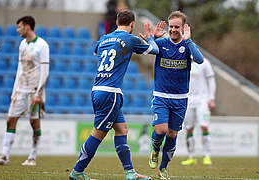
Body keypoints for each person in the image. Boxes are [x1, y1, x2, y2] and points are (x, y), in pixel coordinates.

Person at [69, 10, 159, 180]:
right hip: (110, 93)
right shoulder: (130, 39)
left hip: (98, 89)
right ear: (132, 24)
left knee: (121, 129)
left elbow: (97, 52)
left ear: (117, 22)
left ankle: (130, 173)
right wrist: (151, 39)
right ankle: (77, 171)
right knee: (98, 133)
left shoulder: (103, 39)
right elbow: (154, 50)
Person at [140, 11, 204, 179]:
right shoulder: (161, 43)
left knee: (172, 134)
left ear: (183, 28)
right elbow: (150, 49)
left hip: (180, 99)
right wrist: (151, 39)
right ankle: (154, 149)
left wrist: (188, 40)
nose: (173, 29)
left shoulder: (187, 45)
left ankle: (163, 168)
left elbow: (200, 60)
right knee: (161, 130)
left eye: (177, 27)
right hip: (161, 96)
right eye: (172, 26)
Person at [0, 16, 49, 166]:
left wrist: (39, 94)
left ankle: (32, 157)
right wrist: (15, 90)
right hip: (21, 89)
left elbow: (45, 71)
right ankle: (4, 156)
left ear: (27, 27)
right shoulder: (22, 44)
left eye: (20, 27)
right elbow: (20, 69)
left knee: (34, 123)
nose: (18, 30)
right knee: (10, 120)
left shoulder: (42, 45)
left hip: (34, 90)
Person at [181, 58, 216, 166]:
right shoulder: (183, 61)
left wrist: (211, 98)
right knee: (189, 128)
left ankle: (207, 155)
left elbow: (211, 80)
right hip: (188, 100)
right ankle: (191, 156)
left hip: (202, 100)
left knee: (204, 126)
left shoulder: (205, 62)